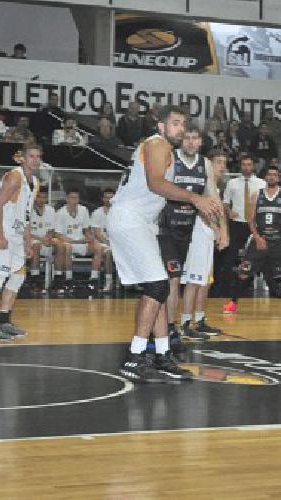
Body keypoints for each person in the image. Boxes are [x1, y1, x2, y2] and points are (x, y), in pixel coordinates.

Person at [107, 105, 225, 382]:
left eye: (183, 123)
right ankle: (135, 357)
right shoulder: (158, 145)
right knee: (158, 286)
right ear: (160, 126)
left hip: (142, 222)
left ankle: (161, 354)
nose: (180, 128)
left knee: (157, 286)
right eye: (175, 123)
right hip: (130, 219)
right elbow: (156, 184)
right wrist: (195, 198)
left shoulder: (164, 150)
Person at [157, 124, 223, 347]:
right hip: (165, 227)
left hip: (189, 230)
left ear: (201, 141)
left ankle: (172, 326)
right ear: (180, 140)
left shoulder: (204, 164)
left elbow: (213, 198)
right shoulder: (170, 159)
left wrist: (220, 229)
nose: (191, 142)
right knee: (172, 280)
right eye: (187, 138)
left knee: (182, 281)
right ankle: (168, 327)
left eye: (195, 138)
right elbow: (158, 189)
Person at [0, 144, 44, 340]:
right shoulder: (14, 176)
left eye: (38, 157)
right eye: (31, 156)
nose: (35, 160)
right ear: (23, 159)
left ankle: (5, 320)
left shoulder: (35, 182)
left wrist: (27, 240)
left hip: (16, 233)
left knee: (18, 276)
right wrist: (0, 235)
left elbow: (25, 213)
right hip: (1, 230)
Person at [228, 165, 281, 315]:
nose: (271, 177)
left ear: (279, 178)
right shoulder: (256, 195)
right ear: (266, 177)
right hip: (259, 240)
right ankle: (233, 302)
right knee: (244, 272)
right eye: (269, 174)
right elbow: (250, 220)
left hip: (279, 240)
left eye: (275, 175)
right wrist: (257, 237)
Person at [179, 148, 232, 341]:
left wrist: (218, 231)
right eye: (218, 162)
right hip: (198, 235)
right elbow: (204, 211)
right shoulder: (202, 184)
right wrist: (220, 231)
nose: (222, 166)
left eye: (224, 163)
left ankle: (199, 320)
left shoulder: (216, 188)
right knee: (194, 281)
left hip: (208, 236)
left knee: (205, 281)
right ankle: (185, 323)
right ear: (208, 164)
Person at [220, 154, 267, 313]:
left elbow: (265, 203)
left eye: (249, 164)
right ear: (240, 166)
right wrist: (229, 211)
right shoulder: (232, 183)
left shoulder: (262, 183)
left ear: (253, 166)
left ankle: (249, 286)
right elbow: (225, 202)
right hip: (237, 223)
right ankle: (226, 289)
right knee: (230, 256)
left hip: (254, 224)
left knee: (254, 256)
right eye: (244, 164)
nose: (247, 167)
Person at [52, 189, 105, 294]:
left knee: (98, 247)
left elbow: (86, 229)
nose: (75, 200)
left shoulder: (83, 210)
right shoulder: (60, 213)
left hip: (81, 242)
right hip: (68, 242)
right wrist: (72, 241)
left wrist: (90, 237)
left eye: (76, 198)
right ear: (67, 199)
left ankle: (93, 280)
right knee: (67, 247)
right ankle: (68, 279)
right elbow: (57, 234)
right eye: (72, 198)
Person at [27, 189, 56, 293]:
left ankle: (58, 280)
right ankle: (35, 279)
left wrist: (48, 238)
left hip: (46, 241)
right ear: (34, 197)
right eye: (39, 197)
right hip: (29, 242)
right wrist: (41, 239)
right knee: (36, 245)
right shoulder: (27, 210)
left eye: (44, 197)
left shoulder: (51, 210)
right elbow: (25, 231)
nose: (42, 199)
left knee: (61, 245)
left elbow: (52, 229)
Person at [87, 188, 116, 291]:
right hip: (103, 243)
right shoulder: (97, 213)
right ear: (102, 199)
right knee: (107, 253)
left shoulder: (121, 213)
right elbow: (97, 234)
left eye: (111, 197)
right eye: (106, 197)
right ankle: (108, 282)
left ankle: (133, 283)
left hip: (119, 244)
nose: (109, 200)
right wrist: (109, 243)